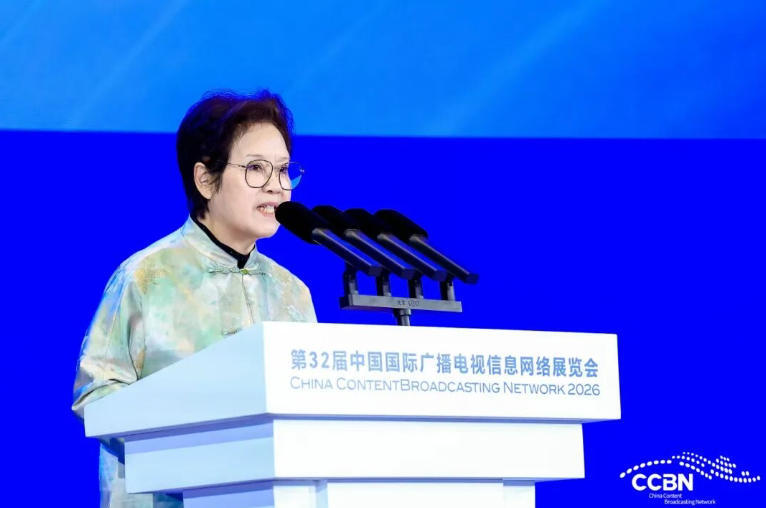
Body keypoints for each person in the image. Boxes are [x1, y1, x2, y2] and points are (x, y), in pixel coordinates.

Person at [71, 90, 317, 508]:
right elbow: (95, 394)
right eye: (256, 169)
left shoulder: (292, 292)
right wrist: (187, 452)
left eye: (282, 170)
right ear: (205, 179)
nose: (277, 187)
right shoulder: (147, 276)